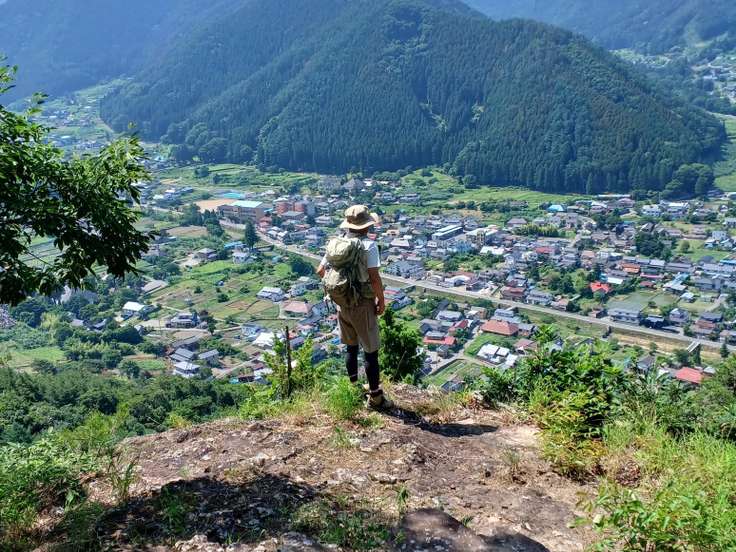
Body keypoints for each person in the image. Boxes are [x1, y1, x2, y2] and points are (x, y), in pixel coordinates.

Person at [317, 205, 393, 409]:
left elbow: (320, 270)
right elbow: (374, 278)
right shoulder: (369, 246)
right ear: (366, 226)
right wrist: (381, 300)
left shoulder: (337, 243)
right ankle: (376, 398)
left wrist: (339, 290)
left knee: (351, 348)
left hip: (342, 304)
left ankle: (354, 389)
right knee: (371, 351)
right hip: (362, 304)